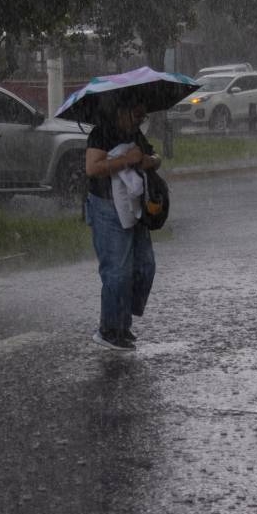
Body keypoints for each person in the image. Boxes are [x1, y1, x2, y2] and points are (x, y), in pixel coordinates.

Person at [84, 95, 162, 351]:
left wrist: (145, 160)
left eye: (144, 116)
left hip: (133, 206)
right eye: (138, 114)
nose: (141, 119)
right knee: (117, 272)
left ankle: (122, 323)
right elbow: (93, 168)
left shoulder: (136, 134)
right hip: (106, 206)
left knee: (144, 266)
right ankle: (109, 330)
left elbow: (155, 158)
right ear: (123, 111)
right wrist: (125, 160)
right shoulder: (101, 133)